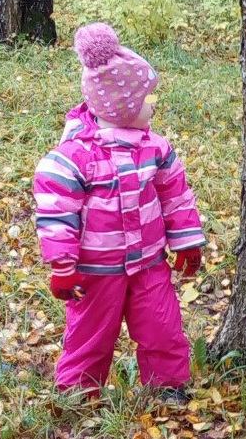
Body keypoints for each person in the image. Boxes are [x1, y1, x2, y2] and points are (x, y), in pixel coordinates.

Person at [33, 22, 206, 401]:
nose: (153, 106)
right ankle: (77, 391)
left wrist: (187, 241)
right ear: (123, 105)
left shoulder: (155, 148)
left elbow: (176, 195)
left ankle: (168, 386)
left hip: (148, 263)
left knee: (162, 326)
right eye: (148, 99)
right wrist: (62, 264)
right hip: (95, 271)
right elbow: (56, 212)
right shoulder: (76, 156)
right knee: (90, 332)